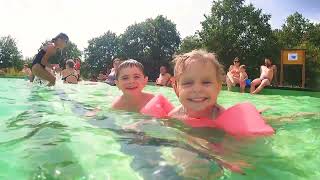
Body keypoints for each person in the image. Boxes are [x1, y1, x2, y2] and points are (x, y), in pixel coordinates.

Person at [169, 50, 225, 120]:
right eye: (187, 83)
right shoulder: (174, 116)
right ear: (176, 89)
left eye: (206, 82)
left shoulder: (225, 117)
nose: (197, 89)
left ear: (218, 87)